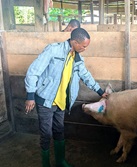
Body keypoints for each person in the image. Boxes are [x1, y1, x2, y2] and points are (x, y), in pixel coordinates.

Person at [25, 28, 108, 167]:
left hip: (62, 101)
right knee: (46, 133)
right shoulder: (53, 50)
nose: (85, 49)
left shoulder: (77, 57)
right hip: (46, 100)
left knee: (59, 130)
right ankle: (45, 164)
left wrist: (100, 91)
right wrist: (30, 95)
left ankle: (60, 161)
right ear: (74, 42)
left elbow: (85, 75)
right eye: (83, 46)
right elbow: (33, 71)